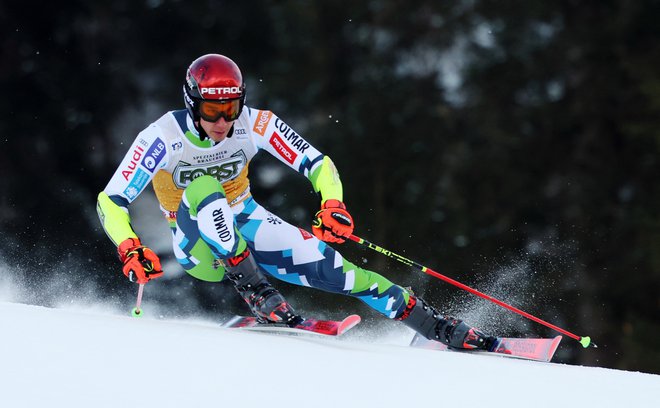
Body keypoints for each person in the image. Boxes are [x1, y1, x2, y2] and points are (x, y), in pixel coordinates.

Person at [96, 53, 496, 350]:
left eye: (230, 108)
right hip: (198, 247)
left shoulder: (253, 124)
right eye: (212, 109)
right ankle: (259, 294)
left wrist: (332, 204)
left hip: (248, 221)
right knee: (202, 188)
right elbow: (110, 199)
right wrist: (129, 245)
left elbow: (317, 163)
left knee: (345, 273)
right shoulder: (163, 136)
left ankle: (435, 327)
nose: (222, 121)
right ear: (191, 103)